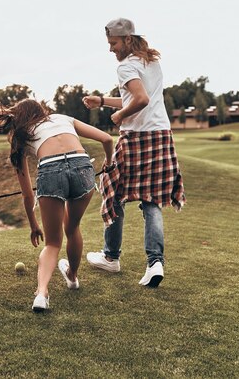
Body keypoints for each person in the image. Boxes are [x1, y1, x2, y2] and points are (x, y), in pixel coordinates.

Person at [0, 95, 114, 311]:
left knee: (52, 243)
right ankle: (72, 277)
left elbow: (28, 195)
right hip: (83, 167)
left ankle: (41, 294)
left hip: (50, 171)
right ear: (40, 110)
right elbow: (107, 139)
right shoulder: (62, 118)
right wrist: (109, 162)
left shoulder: (21, 137)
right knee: (72, 228)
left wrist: (33, 225)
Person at [82, 17, 185, 287]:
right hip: (161, 135)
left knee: (111, 190)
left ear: (127, 40)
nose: (110, 49)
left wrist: (118, 116)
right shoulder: (150, 62)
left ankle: (111, 257)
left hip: (137, 137)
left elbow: (139, 100)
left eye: (113, 43)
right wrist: (103, 101)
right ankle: (155, 263)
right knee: (150, 201)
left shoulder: (126, 66)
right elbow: (137, 96)